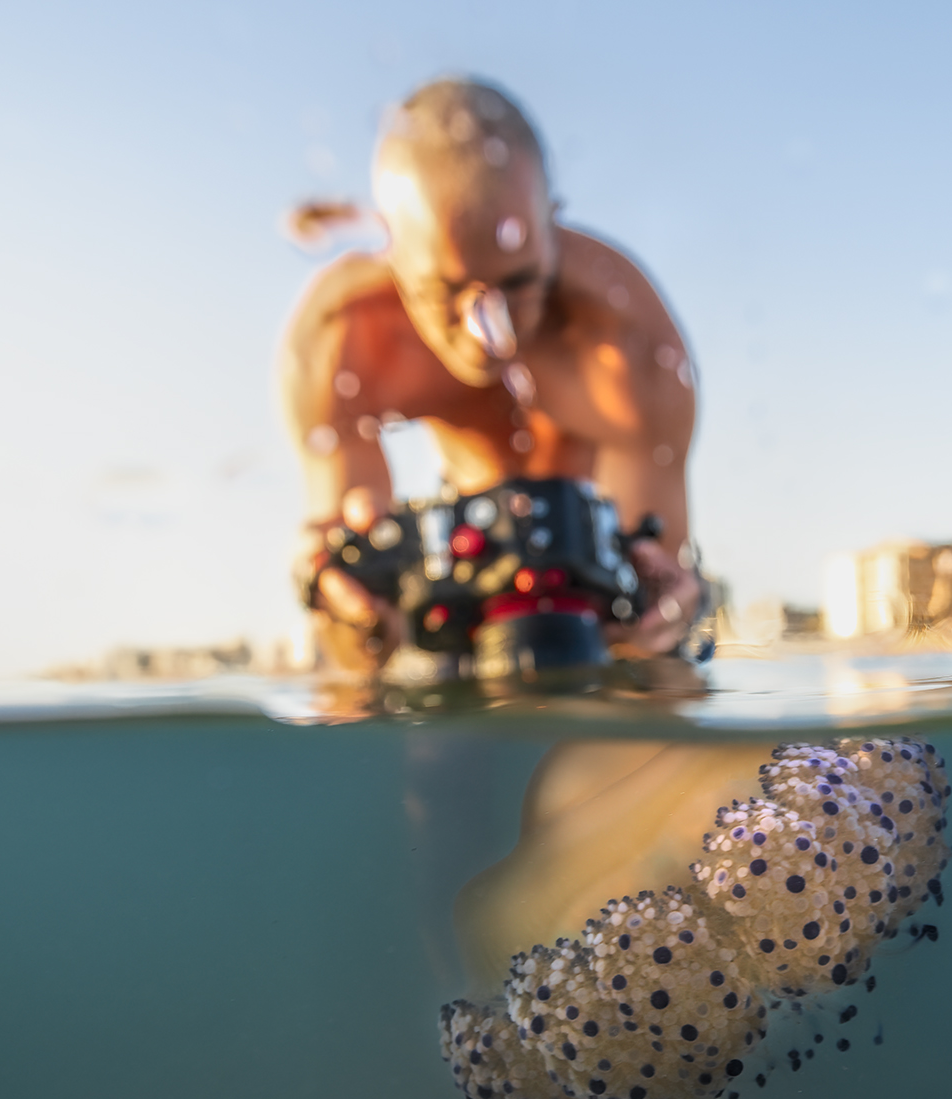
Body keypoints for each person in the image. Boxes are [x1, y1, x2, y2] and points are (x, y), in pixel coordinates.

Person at [280, 77, 701, 673]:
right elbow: (354, 644)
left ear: (551, 224)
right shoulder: (339, 340)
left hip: (587, 583)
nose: (488, 332)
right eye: (444, 293)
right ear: (391, 247)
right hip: (455, 563)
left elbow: (650, 607)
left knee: (657, 674)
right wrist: (337, 592)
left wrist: (663, 604)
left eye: (520, 282)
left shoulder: (626, 337)